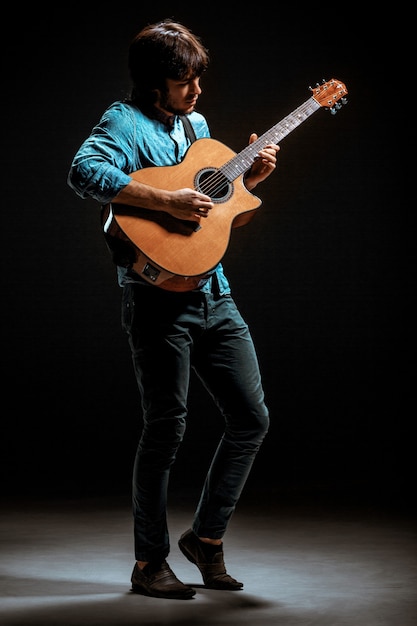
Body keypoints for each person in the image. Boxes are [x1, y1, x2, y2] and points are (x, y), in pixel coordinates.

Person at [67, 18, 280, 600]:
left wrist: (247, 181)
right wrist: (163, 198)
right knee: (166, 431)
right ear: (152, 81)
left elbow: (211, 213)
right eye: (185, 80)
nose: (196, 90)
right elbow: (84, 173)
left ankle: (205, 540)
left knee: (251, 419)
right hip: (156, 301)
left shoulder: (199, 125)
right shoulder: (122, 121)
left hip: (214, 293)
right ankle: (148, 564)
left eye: (197, 79)